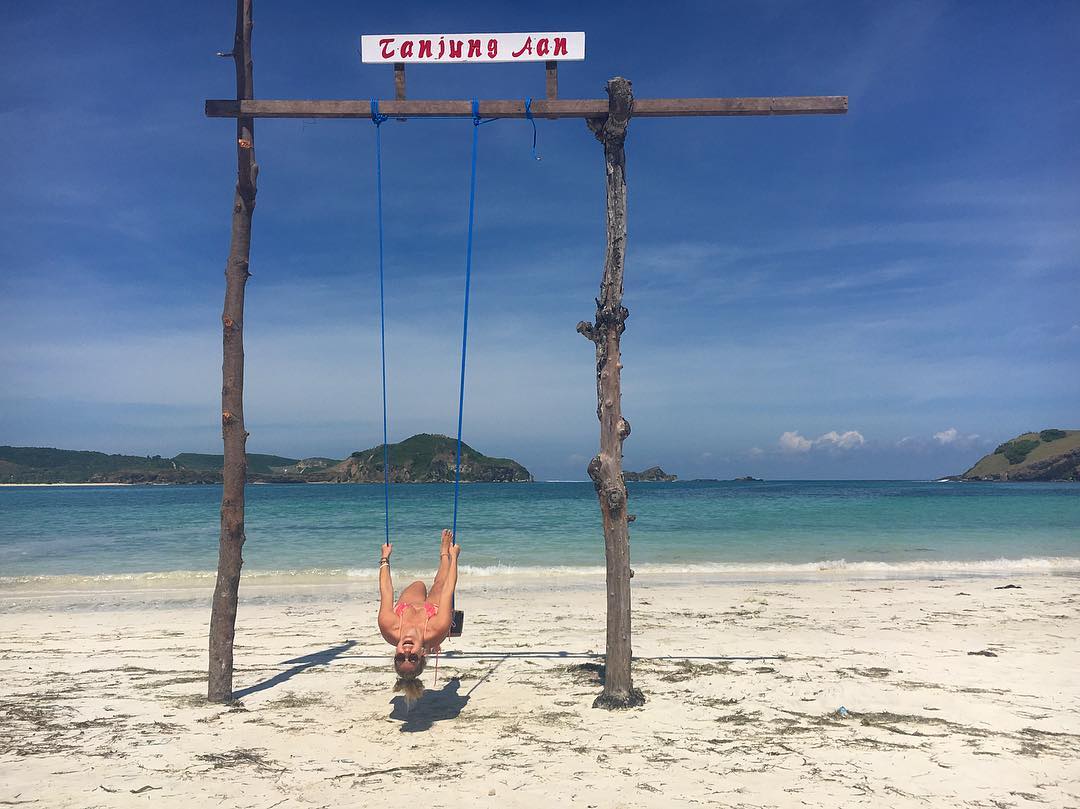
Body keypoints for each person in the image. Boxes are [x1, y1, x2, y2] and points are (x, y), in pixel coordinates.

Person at [378, 528, 461, 706]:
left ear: (395, 654)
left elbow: (386, 591)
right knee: (440, 583)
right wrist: (454, 557)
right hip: (433, 613)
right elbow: (449, 589)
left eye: (401, 658)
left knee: (419, 584)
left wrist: (385, 557)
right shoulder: (436, 629)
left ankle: (444, 556)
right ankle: (443, 553)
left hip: (405, 608)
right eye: (412, 658)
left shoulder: (388, 627)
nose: (406, 653)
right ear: (422, 654)